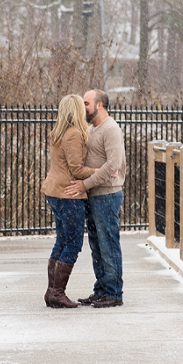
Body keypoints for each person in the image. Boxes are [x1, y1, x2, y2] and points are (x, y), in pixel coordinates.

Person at [63, 89, 126, 308]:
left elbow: (113, 165)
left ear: (99, 105)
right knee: (97, 246)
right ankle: (101, 290)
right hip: (94, 195)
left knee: (108, 244)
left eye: (86, 103)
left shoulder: (111, 129)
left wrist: (85, 184)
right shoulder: (92, 129)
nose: (83, 108)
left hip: (107, 195)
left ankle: (113, 293)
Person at [40, 94, 99, 309]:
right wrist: (100, 171)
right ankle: (57, 292)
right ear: (76, 110)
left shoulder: (57, 132)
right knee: (73, 243)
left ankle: (51, 292)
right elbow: (77, 169)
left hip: (55, 191)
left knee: (62, 241)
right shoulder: (73, 134)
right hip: (68, 194)